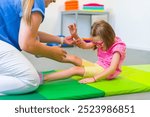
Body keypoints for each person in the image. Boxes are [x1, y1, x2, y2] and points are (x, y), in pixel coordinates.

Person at [0, 0, 75, 95]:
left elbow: (30, 33)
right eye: (53, 0)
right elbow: (27, 43)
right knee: (31, 80)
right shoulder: (36, 2)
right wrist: (51, 52)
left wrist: (61, 40)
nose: (54, 2)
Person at [44, 20, 126, 84]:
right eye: (95, 42)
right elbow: (84, 46)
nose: (97, 45)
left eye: (99, 43)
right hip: (98, 66)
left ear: (108, 37)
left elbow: (112, 69)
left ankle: (43, 78)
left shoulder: (118, 47)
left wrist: (94, 78)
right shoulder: (100, 40)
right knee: (74, 58)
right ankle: (44, 53)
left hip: (107, 72)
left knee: (75, 70)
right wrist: (75, 35)